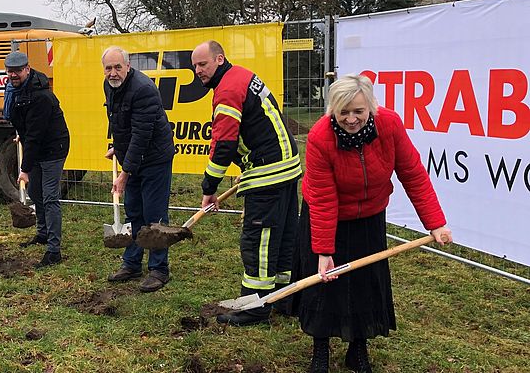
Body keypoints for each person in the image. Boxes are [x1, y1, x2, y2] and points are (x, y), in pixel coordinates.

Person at [298, 75, 452, 373]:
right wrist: (324, 251)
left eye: (358, 111)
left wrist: (435, 223)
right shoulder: (320, 137)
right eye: (343, 112)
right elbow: (323, 198)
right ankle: (320, 352)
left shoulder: (389, 125)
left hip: (369, 216)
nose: (351, 119)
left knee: (365, 284)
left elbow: (413, 173)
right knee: (323, 284)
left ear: (371, 107)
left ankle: (358, 350)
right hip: (326, 217)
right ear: (333, 110)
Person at [191, 40, 302, 326]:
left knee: (258, 241)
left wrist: (208, 189)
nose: (198, 71)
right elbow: (260, 124)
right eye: (194, 66)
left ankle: (255, 305)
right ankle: (282, 297)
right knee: (283, 237)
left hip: (269, 174)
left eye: (202, 64)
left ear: (219, 59)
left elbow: (224, 146)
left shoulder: (227, 90)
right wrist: (248, 164)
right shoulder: (243, 75)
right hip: (286, 167)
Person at [101, 46, 176, 293]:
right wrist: (117, 147)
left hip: (155, 158)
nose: (113, 73)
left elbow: (142, 135)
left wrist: (124, 173)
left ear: (128, 66)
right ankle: (132, 263)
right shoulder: (109, 86)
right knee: (134, 211)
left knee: (154, 214)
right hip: (132, 157)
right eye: (108, 68)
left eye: (117, 67)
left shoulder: (143, 90)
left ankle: (159, 269)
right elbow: (120, 122)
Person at [2, 51, 70, 268]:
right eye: (10, 71)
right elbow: (23, 121)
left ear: (27, 70)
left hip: (53, 148)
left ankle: (54, 250)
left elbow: (36, 135)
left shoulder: (39, 96)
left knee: (50, 197)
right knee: (34, 192)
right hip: (37, 144)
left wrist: (24, 169)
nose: (14, 75)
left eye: (18, 71)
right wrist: (20, 131)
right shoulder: (14, 90)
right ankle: (42, 233)